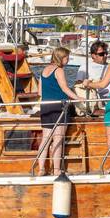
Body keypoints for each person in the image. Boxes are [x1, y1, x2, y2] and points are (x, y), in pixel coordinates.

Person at [34, 46, 83, 176]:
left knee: (45, 139)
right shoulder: (59, 70)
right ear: (62, 58)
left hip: (46, 106)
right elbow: (65, 88)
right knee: (58, 139)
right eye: (67, 57)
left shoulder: (44, 70)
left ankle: (41, 169)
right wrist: (79, 98)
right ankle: (56, 170)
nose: (68, 60)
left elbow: (40, 92)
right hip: (59, 107)